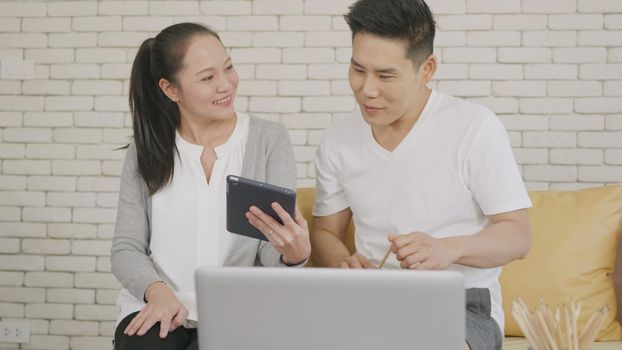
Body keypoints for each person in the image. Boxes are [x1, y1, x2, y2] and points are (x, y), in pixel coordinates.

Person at [310, 1, 532, 349]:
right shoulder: (338, 139)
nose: (367, 89)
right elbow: (325, 231)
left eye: (385, 76)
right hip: (368, 302)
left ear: (426, 69)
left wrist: (450, 249)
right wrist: (342, 263)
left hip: (460, 306)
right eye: (357, 69)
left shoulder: (474, 127)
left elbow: (518, 236)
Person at [110, 22, 311, 350]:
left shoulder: (267, 140)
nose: (226, 85)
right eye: (207, 78)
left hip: (237, 312)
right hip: (158, 302)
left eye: (228, 68)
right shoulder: (146, 150)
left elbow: (270, 251)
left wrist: (294, 255)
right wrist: (157, 292)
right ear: (171, 89)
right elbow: (126, 248)